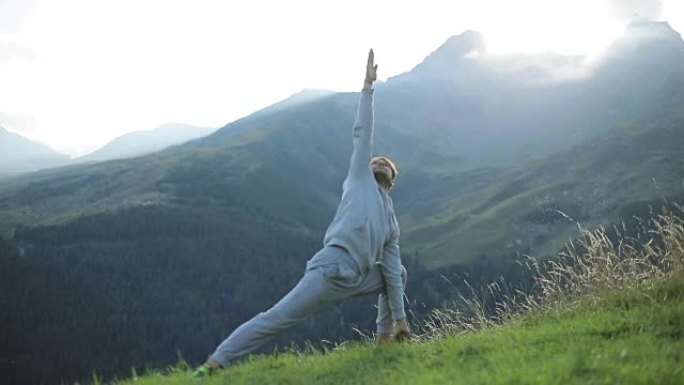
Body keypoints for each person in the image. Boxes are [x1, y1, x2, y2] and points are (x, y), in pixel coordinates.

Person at [193, 49, 409, 377]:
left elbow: (392, 272)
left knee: (398, 276)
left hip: (357, 277)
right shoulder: (358, 179)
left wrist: (401, 319)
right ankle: (214, 364)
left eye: (386, 164)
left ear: (392, 181)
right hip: (329, 271)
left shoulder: (391, 221)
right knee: (277, 318)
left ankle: (385, 341)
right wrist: (367, 88)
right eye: (376, 160)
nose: (379, 162)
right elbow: (363, 135)